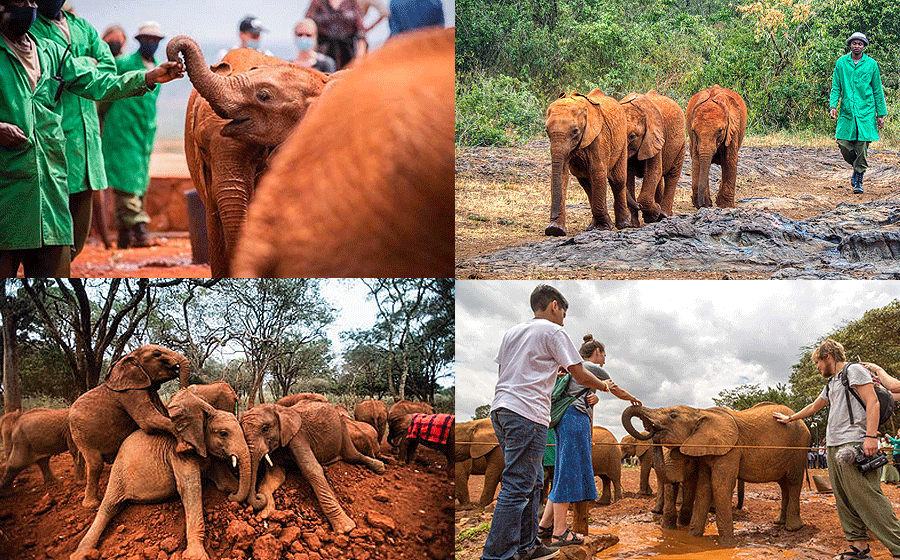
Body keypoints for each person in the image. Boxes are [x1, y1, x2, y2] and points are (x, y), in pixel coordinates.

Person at [0, 0, 183, 276]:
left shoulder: (49, 52)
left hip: (50, 186)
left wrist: (148, 77)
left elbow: (100, 80)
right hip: (9, 193)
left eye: (30, 2)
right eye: (19, 2)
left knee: (60, 265)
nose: (27, 7)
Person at [482, 284, 611, 560]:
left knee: (535, 481)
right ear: (555, 306)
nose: (564, 319)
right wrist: (603, 385)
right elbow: (580, 375)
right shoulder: (554, 331)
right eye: (564, 313)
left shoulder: (512, 332)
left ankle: (528, 546)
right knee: (518, 484)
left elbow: (510, 370)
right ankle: (495, 555)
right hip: (527, 414)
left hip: (502, 409)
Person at [774, 339, 900, 560]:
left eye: (818, 363)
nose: (817, 367)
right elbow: (815, 406)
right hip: (833, 445)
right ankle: (859, 549)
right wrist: (790, 418)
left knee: (868, 498)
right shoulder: (832, 383)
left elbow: (873, 403)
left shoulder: (855, 371)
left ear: (828, 357)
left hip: (854, 443)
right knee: (844, 498)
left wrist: (870, 437)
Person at [30, 0, 117, 260]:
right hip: (57, 138)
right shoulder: (34, 31)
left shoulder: (83, 28)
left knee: (77, 238)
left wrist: (75, 70)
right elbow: (47, 74)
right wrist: (85, 66)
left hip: (88, 142)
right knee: (55, 237)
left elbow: (107, 68)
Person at [537, 335, 641, 547]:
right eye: (604, 354)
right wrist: (632, 399)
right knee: (567, 473)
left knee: (560, 474)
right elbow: (616, 388)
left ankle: (544, 526)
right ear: (597, 352)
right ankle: (559, 532)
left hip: (562, 421)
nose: (604, 359)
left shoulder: (571, 368)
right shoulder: (591, 368)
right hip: (575, 420)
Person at [101, 21, 171, 249]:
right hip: (121, 130)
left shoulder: (160, 67)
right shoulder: (124, 64)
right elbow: (107, 90)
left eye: (155, 40)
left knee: (139, 184)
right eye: (146, 39)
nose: (150, 44)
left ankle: (124, 237)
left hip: (143, 134)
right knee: (125, 183)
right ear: (138, 41)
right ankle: (140, 232)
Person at [829, 32, 887, 194]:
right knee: (843, 144)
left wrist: (880, 115)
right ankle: (858, 167)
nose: (857, 46)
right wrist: (833, 106)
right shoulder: (841, 63)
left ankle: (859, 179)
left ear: (864, 46)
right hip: (847, 110)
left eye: (860, 43)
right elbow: (836, 87)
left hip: (866, 111)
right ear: (850, 45)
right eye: (854, 43)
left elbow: (877, 90)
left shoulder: (871, 64)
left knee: (862, 146)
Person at [306, 0, 365, 70]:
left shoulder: (352, 3)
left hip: (347, 54)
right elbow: (307, 28)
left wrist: (359, 59)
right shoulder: (317, 2)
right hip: (322, 54)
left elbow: (361, 34)